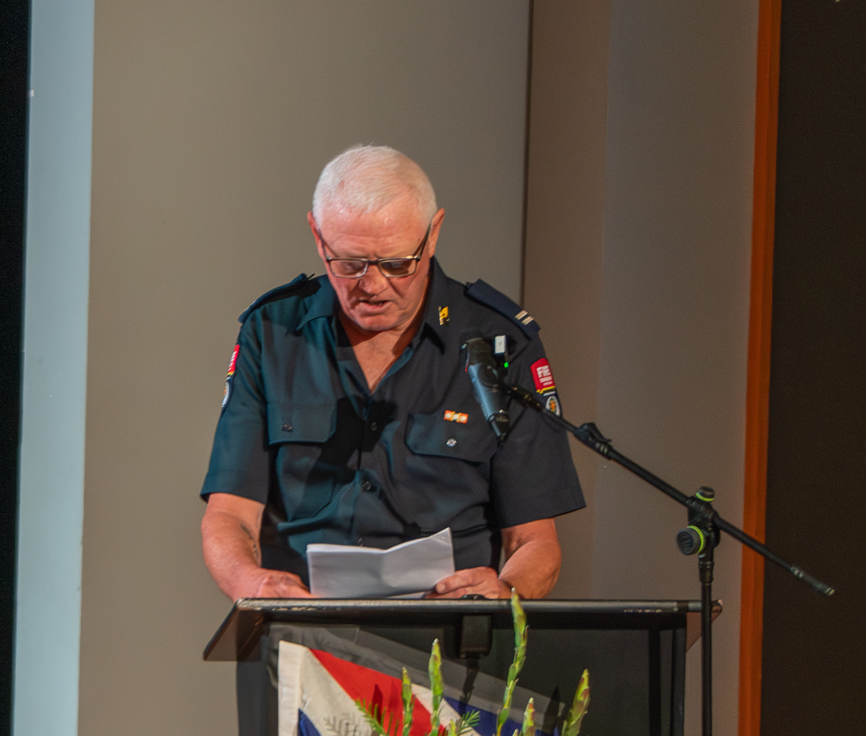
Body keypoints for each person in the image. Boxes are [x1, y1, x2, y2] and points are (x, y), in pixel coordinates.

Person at [200, 145, 584, 601]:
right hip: (299, 622)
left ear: (433, 234)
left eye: (397, 264)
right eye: (349, 264)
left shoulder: (499, 343)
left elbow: (534, 540)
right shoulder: (273, 332)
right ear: (318, 236)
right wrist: (250, 583)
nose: (372, 285)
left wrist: (503, 593)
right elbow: (230, 514)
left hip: (448, 629)